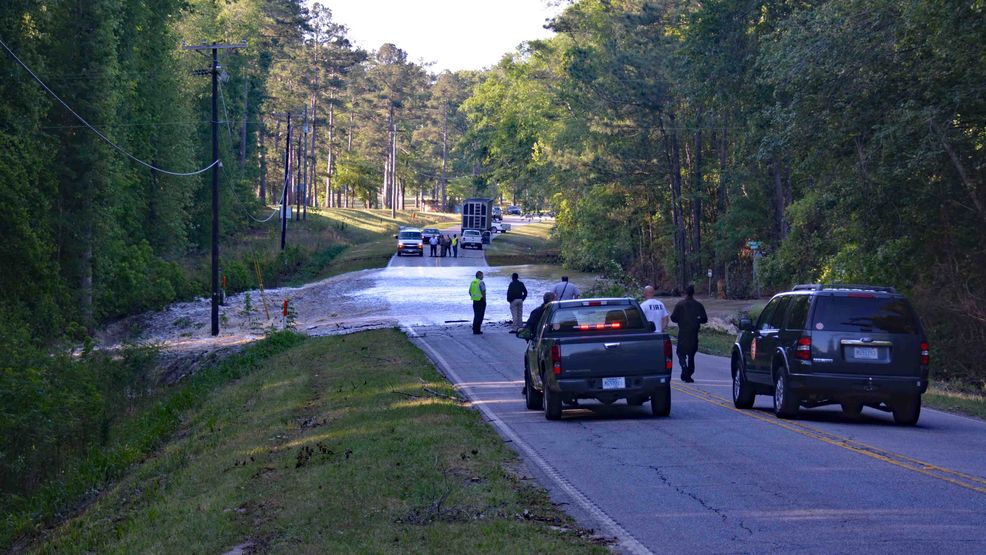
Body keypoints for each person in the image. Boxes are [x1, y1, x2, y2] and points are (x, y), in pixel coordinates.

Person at [670, 284, 708, 383]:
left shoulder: (680, 305)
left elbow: (673, 318)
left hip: (683, 333)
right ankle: (688, 374)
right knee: (691, 355)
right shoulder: (698, 305)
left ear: (685, 293)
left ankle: (684, 367)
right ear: (693, 293)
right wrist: (697, 320)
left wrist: (680, 320)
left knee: (680, 353)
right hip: (694, 333)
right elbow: (705, 319)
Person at [469, 270, 487, 334]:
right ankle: (477, 330)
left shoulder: (472, 282)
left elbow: (470, 292)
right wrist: (485, 300)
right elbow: (483, 292)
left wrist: (474, 297)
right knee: (480, 316)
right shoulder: (481, 282)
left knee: (476, 315)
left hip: (475, 301)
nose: (483, 276)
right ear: (479, 275)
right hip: (481, 300)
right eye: (482, 275)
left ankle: (475, 329)